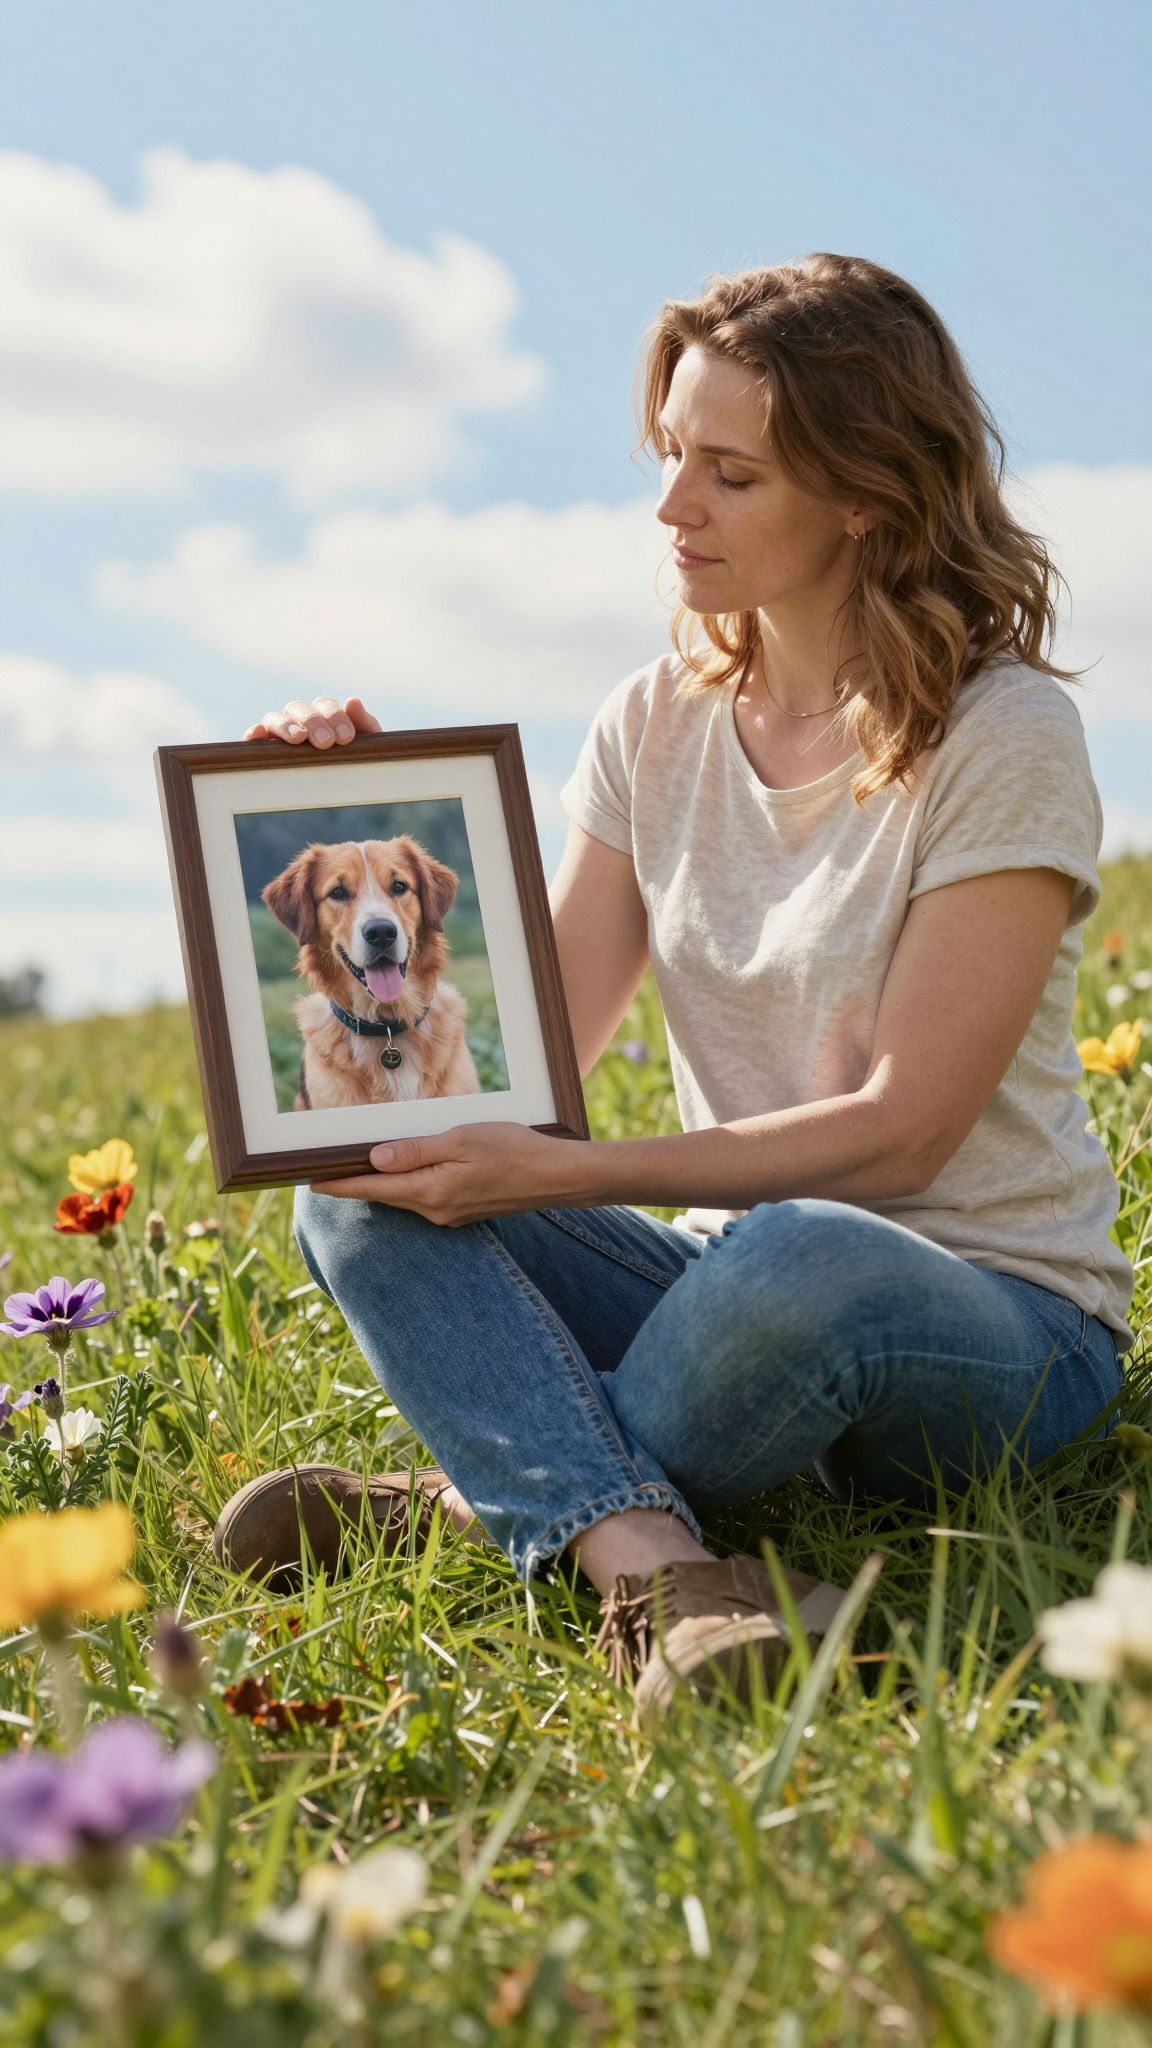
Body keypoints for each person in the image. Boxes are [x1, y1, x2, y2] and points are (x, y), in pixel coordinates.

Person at [213, 252, 1134, 1720]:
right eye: (670, 459)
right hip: (727, 1300)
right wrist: (353, 787)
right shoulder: (657, 720)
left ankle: (471, 1502)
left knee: (793, 1257)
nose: (670, 509)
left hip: (993, 1326)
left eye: (730, 475)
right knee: (365, 1175)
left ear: (866, 497)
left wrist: (548, 1175)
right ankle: (658, 1570)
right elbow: (531, 1057)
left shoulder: (1002, 733)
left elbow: (904, 1134)